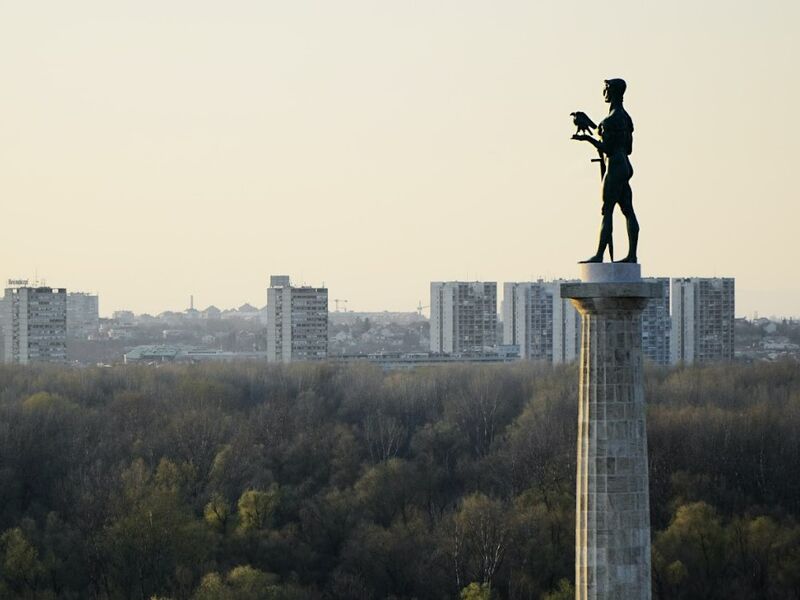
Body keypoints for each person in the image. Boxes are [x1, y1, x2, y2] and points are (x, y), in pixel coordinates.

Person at [572, 78, 639, 263]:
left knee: (607, 210)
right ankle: (632, 254)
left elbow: (606, 148)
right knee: (628, 210)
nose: (604, 93)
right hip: (625, 165)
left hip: (615, 166)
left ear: (614, 92)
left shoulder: (610, 120)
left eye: (606, 89)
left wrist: (587, 140)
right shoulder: (626, 118)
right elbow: (629, 148)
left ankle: (600, 254)